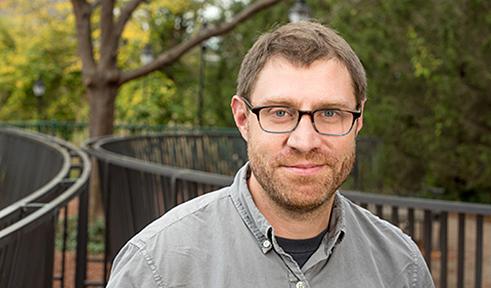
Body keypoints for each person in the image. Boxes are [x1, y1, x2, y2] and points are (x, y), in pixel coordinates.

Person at [107, 21, 435, 288]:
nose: (304, 141)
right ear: (242, 119)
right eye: (280, 113)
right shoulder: (158, 266)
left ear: (358, 120)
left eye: (330, 113)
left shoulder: (402, 268)